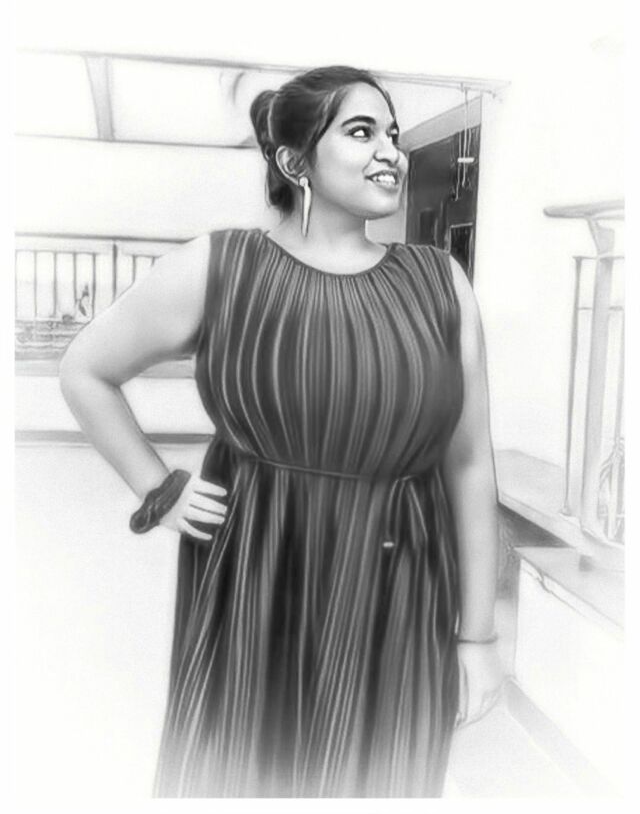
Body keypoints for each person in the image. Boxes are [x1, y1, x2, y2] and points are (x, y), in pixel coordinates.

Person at [59, 64, 505, 798]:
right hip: (258, 570)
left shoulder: (440, 282)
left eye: (392, 134)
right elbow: (86, 370)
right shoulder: (222, 267)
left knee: (383, 773)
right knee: (243, 767)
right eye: (360, 131)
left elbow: (469, 465)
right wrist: (158, 489)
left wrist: (478, 635)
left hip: (400, 582)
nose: (390, 151)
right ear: (296, 162)